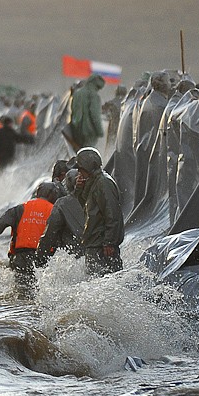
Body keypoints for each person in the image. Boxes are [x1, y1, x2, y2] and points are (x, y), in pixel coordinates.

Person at [0, 182, 61, 294]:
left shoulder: (19, 209)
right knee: (40, 291)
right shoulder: (55, 211)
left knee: (21, 291)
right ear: (51, 195)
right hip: (44, 259)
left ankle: (20, 310)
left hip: (20, 258)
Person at [74, 146, 124, 276]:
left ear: (87, 167)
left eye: (80, 169)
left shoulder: (104, 183)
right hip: (96, 244)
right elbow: (87, 207)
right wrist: (80, 189)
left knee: (107, 282)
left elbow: (112, 214)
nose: (79, 172)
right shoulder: (94, 182)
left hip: (102, 247)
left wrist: (109, 242)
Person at [37, 169, 86, 264]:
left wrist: (40, 257)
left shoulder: (62, 203)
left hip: (75, 257)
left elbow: (50, 232)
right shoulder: (95, 197)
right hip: (98, 249)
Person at [69, 74, 106, 151]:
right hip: (89, 131)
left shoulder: (77, 94)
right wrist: (100, 131)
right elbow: (94, 114)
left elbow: (72, 110)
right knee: (88, 154)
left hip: (76, 129)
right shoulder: (94, 95)